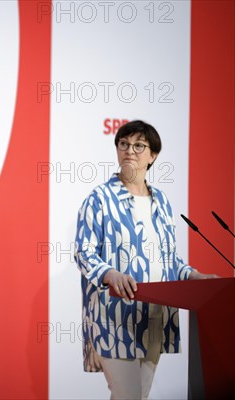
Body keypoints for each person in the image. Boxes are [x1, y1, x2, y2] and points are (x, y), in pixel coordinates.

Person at [74, 120, 217, 399]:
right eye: (124, 144)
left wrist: (192, 275)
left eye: (139, 145)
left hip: (154, 317)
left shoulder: (161, 201)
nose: (130, 151)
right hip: (114, 317)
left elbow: (168, 258)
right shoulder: (100, 199)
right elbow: (84, 252)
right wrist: (109, 273)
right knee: (128, 395)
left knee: (139, 396)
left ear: (152, 155)